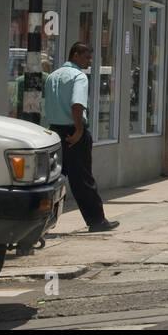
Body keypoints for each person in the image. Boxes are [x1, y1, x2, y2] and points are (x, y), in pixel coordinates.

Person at [45, 42, 117, 233]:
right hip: (73, 133)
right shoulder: (78, 77)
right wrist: (78, 131)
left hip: (54, 133)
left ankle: (43, 221)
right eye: (86, 57)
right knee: (82, 180)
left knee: (53, 179)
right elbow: (77, 105)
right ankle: (96, 221)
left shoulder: (52, 76)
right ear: (75, 55)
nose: (89, 61)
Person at [10, 53, 52, 124]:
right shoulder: (51, 80)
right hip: (45, 125)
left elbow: (15, 107)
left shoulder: (20, 81)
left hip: (24, 124)